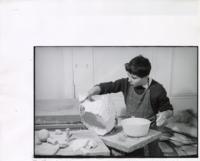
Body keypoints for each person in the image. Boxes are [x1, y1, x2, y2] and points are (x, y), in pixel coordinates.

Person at [83, 55, 173, 157]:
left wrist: (165, 115)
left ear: (145, 77)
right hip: (130, 130)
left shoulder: (157, 89)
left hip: (148, 134)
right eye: (128, 75)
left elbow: (168, 109)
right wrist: (92, 91)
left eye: (133, 78)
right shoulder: (126, 83)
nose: (129, 80)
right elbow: (108, 86)